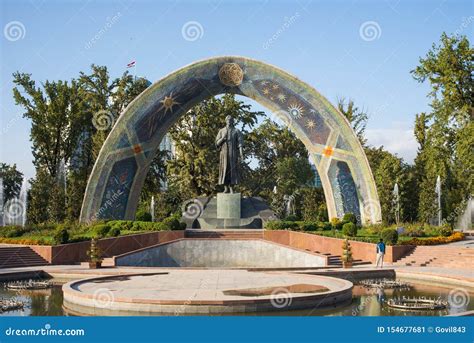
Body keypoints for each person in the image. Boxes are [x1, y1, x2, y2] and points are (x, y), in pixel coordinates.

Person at [215, 115, 243, 193]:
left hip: (233, 153)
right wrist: (222, 138)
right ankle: (225, 188)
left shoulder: (236, 131)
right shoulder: (221, 131)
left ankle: (231, 187)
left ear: (233, 121)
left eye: (231, 120)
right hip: (224, 154)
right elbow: (217, 143)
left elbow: (240, 143)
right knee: (224, 169)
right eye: (228, 120)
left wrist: (241, 154)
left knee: (232, 170)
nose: (229, 121)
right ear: (225, 121)